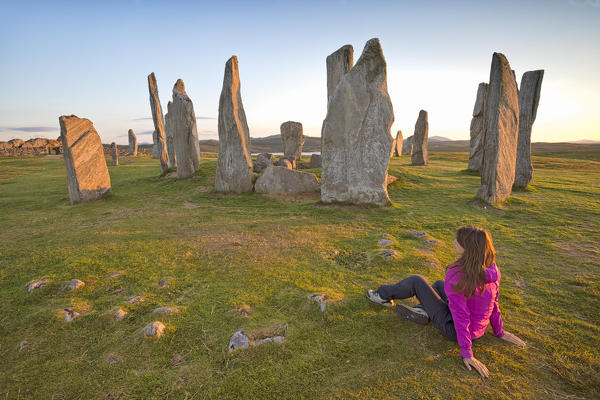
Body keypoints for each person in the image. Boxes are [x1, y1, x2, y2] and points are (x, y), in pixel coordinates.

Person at [366, 226, 526, 378]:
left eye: (458, 241)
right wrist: (499, 331)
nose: (454, 242)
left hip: (453, 328)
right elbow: (493, 304)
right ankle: (422, 310)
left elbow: (461, 314)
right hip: (477, 328)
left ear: (468, 248)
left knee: (416, 281)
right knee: (438, 285)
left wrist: (467, 352)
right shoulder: (492, 271)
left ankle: (382, 295)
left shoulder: (457, 275)